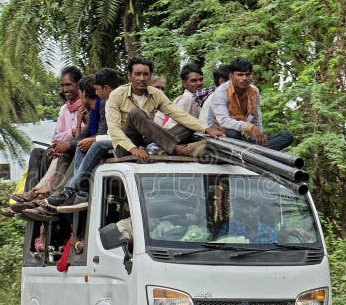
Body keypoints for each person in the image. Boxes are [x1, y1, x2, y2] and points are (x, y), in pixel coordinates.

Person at [105, 56, 225, 162]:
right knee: (135, 113)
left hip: (150, 142)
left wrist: (206, 129)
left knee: (188, 124)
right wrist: (133, 148)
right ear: (129, 76)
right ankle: (178, 149)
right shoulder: (117, 95)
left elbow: (178, 114)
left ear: (150, 76)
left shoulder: (156, 93)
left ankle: (157, 149)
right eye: (137, 74)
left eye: (145, 74)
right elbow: (114, 129)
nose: (142, 78)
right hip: (126, 146)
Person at [44, 68, 122, 211]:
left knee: (92, 146)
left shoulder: (105, 103)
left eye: (98, 89)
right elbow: (84, 135)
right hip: (110, 139)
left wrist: (79, 142)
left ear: (84, 93)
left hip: (120, 141)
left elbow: (104, 132)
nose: (97, 93)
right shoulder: (96, 107)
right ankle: (81, 192)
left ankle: (69, 189)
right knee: (80, 146)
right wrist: (69, 144)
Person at [13, 66, 84, 203]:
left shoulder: (85, 106)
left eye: (69, 85)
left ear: (78, 84)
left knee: (59, 155)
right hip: (61, 148)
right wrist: (70, 133)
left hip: (73, 149)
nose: (65, 89)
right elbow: (56, 136)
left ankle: (40, 194)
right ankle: (30, 193)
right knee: (37, 153)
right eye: (62, 86)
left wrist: (68, 139)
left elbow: (84, 133)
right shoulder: (64, 109)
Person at [210, 57, 293, 151]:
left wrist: (259, 137)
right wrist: (249, 127)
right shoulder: (221, 92)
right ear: (231, 76)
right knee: (233, 132)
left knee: (287, 136)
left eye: (248, 74)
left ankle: (254, 151)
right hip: (226, 138)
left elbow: (257, 118)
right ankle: (256, 151)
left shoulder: (254, 91)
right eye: (240, 75)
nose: (245, 78)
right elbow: (223, 121)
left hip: (246, 140)